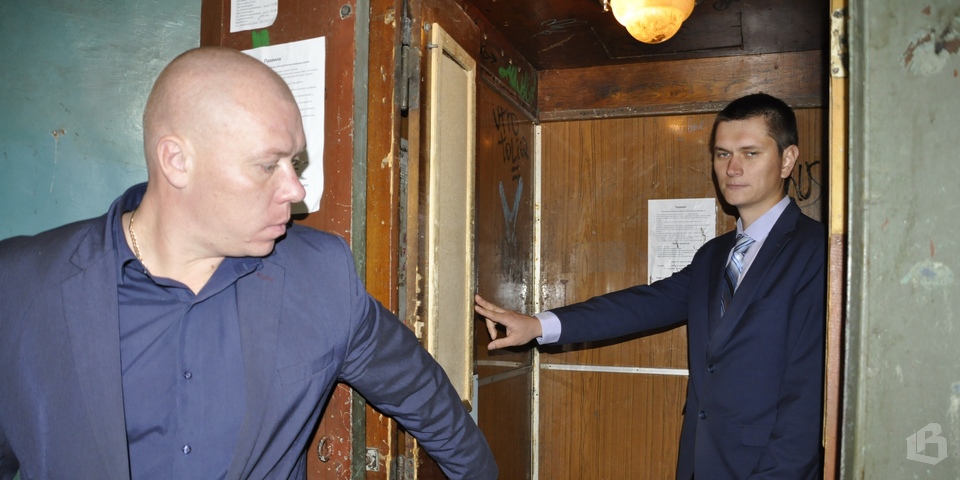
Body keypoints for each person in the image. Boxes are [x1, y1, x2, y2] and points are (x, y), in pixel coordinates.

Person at [0, 47, 496, 480]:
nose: (296, 190)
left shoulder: (321, 276)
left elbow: (424, 396)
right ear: (176, 161)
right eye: (267, 165)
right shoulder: (19, 286)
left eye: (294, 163)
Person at [475, 93, 825, 479]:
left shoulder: (819, 251)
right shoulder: (714, 255)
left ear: (787, 159)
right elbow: (643, 305)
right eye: (722, 154)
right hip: (699, 463)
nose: (732, 168)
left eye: (750, 153)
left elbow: (808, 396)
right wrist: (537, 325)